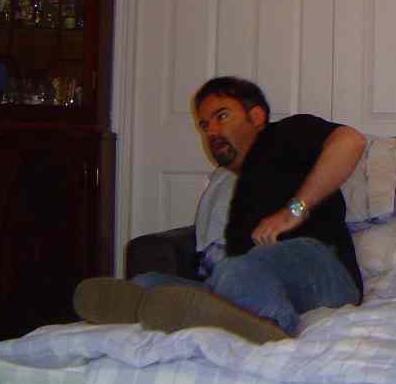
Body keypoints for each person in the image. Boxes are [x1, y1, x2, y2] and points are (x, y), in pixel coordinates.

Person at [74, 76, 366, 344]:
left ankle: (272, 328)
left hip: (325, 270)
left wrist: (295, 210)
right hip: (252, 277)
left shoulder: (287, 133)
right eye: (204, 125)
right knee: (148, 283)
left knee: (236, 270)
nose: (211, 131)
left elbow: (351, 141)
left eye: (221, 116)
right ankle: (217, 322)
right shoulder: (240, 191)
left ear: (256, 117)